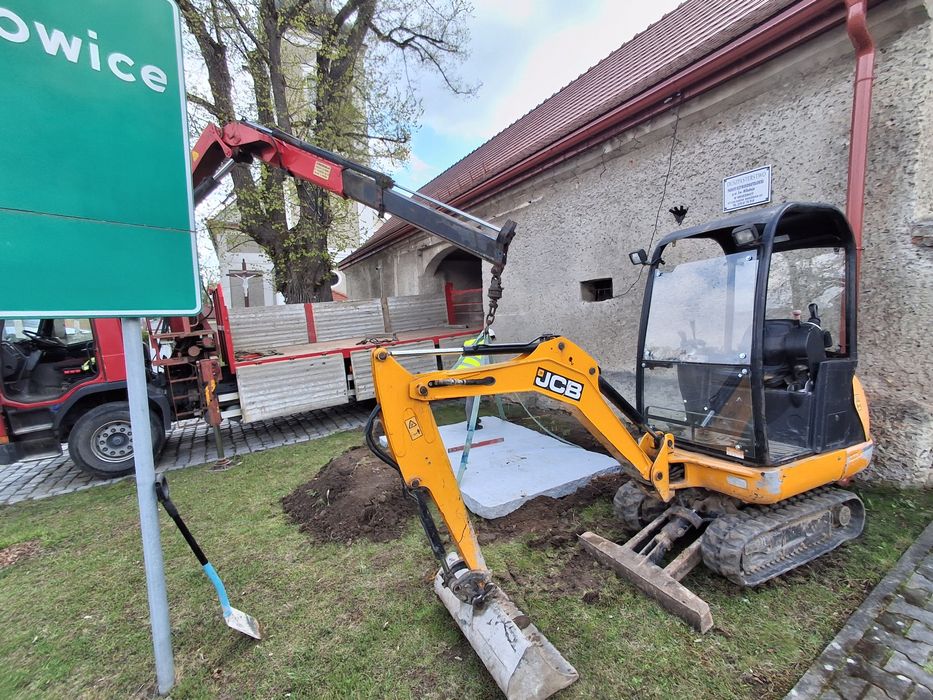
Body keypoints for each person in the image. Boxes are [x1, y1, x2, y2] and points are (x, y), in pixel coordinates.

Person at [453, 327, 495, 429]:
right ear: (490, 337)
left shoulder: (470, 342)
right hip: (471, 375)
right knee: (471, 398)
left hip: (462, 372)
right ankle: (471, 424)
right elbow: (487, 365)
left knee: (472, 398)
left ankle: (474, 418)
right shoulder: (485, 346)